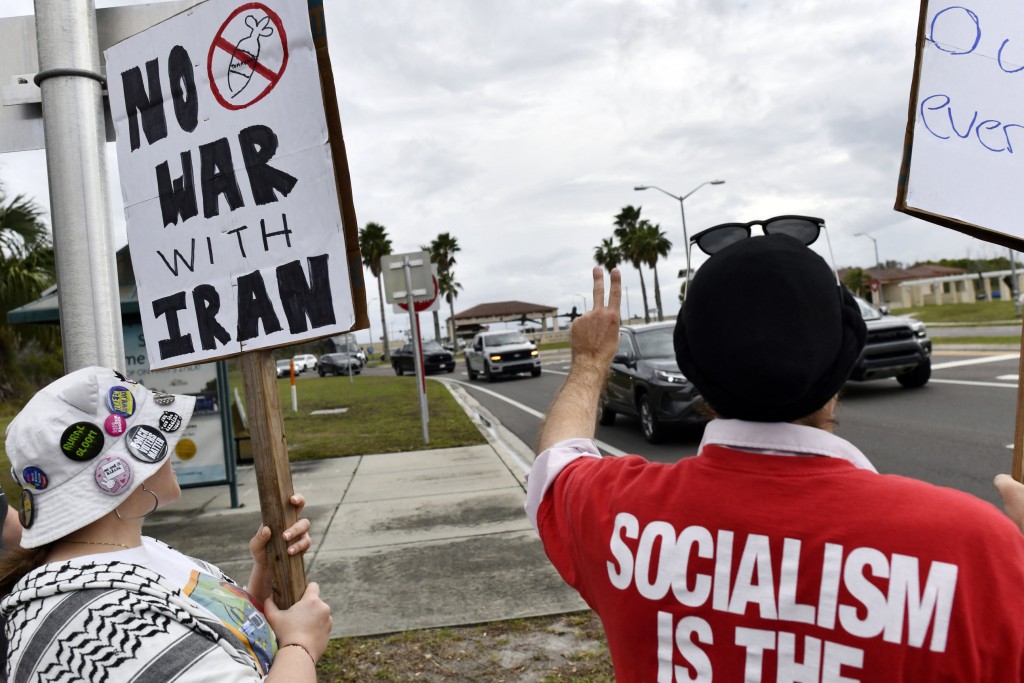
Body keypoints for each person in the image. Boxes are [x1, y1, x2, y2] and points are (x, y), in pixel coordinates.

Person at [527, 235, 1024, 681]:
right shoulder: (979, 552)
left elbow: (557, 462)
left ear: (692, 364)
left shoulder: (617, 516)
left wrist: (591, 361)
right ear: (844, 358)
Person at [0, 366, 332, 682]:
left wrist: (264, 576)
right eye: (155, 437)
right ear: (119, 473)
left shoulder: (129, 552)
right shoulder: (99, 627)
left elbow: (210, 643)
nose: (170, 447)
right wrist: (300, 645)